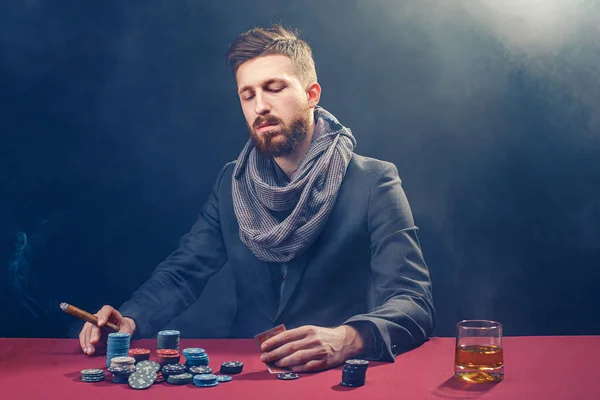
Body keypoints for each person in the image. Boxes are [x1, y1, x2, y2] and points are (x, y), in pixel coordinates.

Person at [79, 24, 435, 373]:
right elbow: (184, 271)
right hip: (245, 374)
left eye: (274, 88)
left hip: (332, 376)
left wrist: (348, 338)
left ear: (312, 95)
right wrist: (130, 318)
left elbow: (414, 302)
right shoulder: (231, 181)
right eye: (247, 95)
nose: (259, 106)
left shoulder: (373, 181)